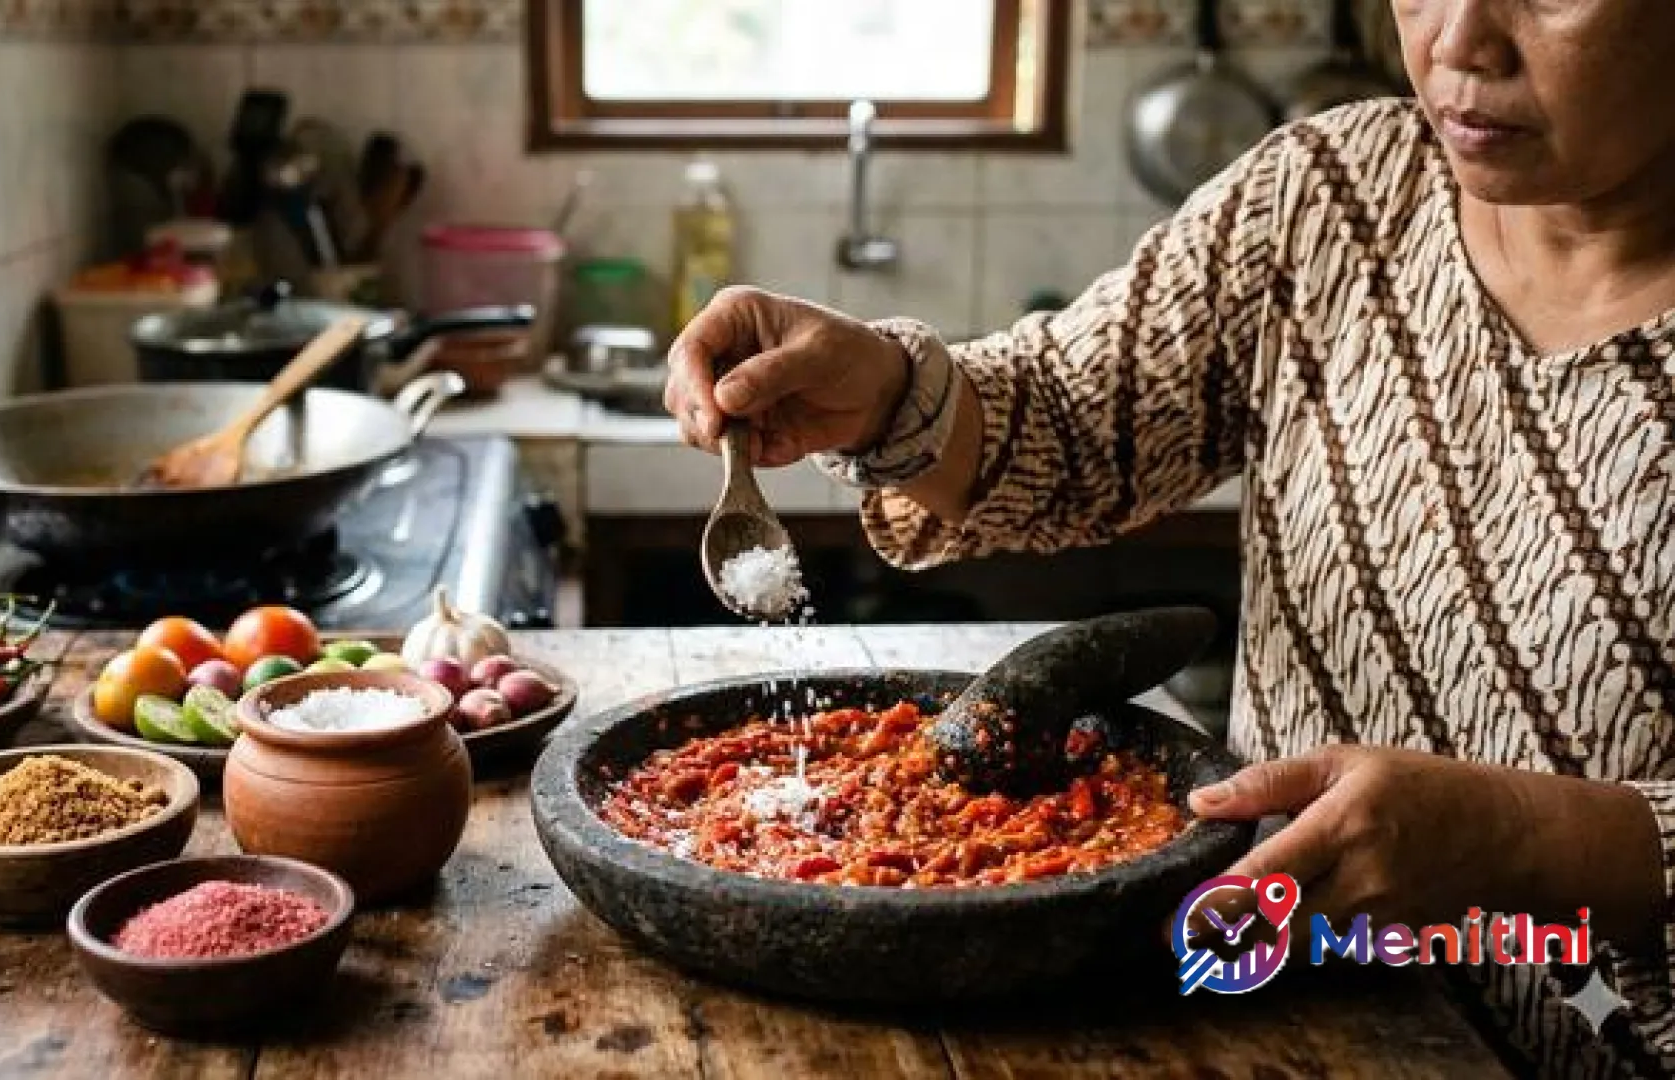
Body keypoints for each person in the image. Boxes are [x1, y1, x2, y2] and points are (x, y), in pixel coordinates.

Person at [664, 1, 1675, 1074]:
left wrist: (1525, 838)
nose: (1460, 43)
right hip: (1287, 1011)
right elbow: (1067, 422)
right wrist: (882, 395)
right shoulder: (1335, 193)